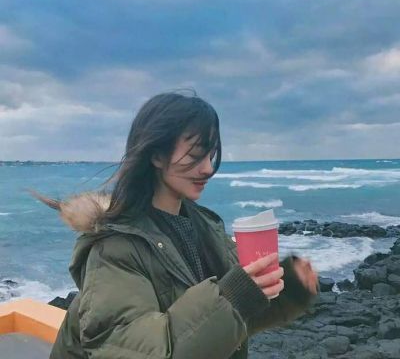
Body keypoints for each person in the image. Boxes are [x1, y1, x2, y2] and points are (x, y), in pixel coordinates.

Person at [35, 91, 319, 359]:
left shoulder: (204, 229)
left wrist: (289, 288)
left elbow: (229, 323)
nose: (207, 168)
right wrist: (232, 296)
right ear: (157, 156)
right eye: (195, 155)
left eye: (210, 155)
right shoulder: (113, 249)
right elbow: (140, 349)